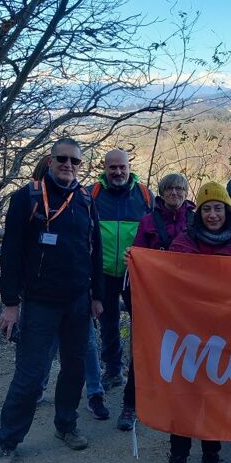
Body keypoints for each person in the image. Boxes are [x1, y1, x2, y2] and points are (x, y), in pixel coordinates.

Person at [0, 137, 104, 463]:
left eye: (75, 161)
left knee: (74, 371)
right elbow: (10, 253)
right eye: (62, 159)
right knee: (29, 377)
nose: (68, 165)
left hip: (77, 303)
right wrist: (10, 304)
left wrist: (97, 297)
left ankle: (66, 425)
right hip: (40, 303)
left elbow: (95, 252)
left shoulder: (85, 200)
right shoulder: (25, 198)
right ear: (50, 161)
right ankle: (8, 442)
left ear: (80, 166)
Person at [158, 181, 231, 463]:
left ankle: (211, 456)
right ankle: (177, 457)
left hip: (225, 336)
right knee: (184, 395)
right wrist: (138, 264)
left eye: (218, 208)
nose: (213, 215)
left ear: (227, 211)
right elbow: (168, 280)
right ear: (198, 213)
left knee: (215, 396)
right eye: (207, 209)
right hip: (188, 333)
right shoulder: (184, 243)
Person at [116, 173, 194, 432]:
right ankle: (131, 404)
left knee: (188, 352)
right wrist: (134, 258)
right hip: (154, 299)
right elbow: (138, 254)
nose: (175, 193)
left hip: (188, 300)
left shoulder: (195, 220)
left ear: (186, 192)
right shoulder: (148, 222)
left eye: (179, 188)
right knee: (144, 350)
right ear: (161, 193)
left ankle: (181, 404)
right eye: (170, 188)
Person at [89, 149, 154, 390]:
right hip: (102, 272)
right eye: (112, 167)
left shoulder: (145, 196)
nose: (117, 172)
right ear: (104, 168)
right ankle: (113, 371)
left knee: (142, 324)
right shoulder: (91, 194)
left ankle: (139, 374)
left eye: (122, 167)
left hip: (134, 274)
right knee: (108, 324)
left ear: (129, 167)